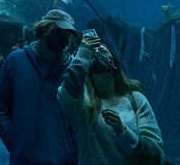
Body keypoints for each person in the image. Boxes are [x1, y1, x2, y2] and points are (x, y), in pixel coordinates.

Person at [57, 33, 165, 165]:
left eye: (102, 50)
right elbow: (67, 93)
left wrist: (124, 132)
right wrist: (83, 52)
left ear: (114, 63)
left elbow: (156, 154)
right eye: (92, 52)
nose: (96, 53)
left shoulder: (136, 99)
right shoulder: (84, 102)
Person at [0, 9, 78, 165]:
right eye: (62, 31)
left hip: (61, 159)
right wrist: (14, 141)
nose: (66, 37)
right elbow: (1, 107)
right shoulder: (16, 61)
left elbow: (81, 114)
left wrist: (70, 149)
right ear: (46, 29)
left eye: (69, 34)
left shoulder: (72, 69)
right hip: (22, 158)